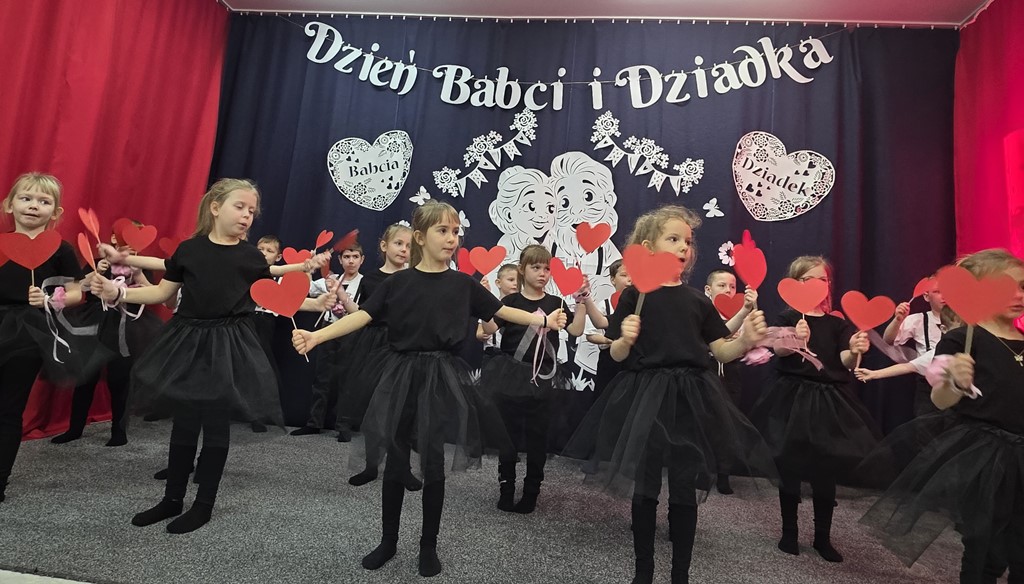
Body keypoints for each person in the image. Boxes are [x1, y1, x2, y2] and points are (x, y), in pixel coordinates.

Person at [292, 201, 567, 577]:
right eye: (442, 231)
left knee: (433, 463)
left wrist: (544, 319)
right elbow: (362, 317)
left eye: (455, 231)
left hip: (440, 378)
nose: (452, 238)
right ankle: (388, 541)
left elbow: (503, 312)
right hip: (400, 373)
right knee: (396, 459)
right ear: (420, 238)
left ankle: (428, 545)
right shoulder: (397, 283)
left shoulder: (463, 285)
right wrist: (317, 336)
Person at [90, 178, 327, 533]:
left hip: (228, 345)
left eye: (252, 211)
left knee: (216, 426)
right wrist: (117, 292)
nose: (247, 216)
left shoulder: (250, 256)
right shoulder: (189, 250)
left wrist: (314, 302)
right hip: (188, 340)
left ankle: (203, 504)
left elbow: (271, 294)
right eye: (240, 207)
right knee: (184, 423)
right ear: (215, 207)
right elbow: (161, 294)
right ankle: (172, 499)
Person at [563, 205, 772, 584]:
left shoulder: (697, 301)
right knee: (645, 489)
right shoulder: (634, 297)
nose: (683, 247)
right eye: (673, 239)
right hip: (646, 397)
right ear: (648, 247)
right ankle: (643, 571)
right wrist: (624, 339)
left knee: (683, 490)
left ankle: (680, 574)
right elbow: (617, 354)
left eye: (687, 241)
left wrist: (745, 341)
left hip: (691, 401)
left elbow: (721, 351)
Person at [861, 249, 1024, 583]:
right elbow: (940, 398)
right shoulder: (962, 340)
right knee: (984, 546)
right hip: (986, 456)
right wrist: (953, 381)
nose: (1018, 295)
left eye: (1023, 287)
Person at [750, 255, 879, 563]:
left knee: (825, 469)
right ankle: (789, 532)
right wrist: (795, 338)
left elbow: (845, 360)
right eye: (810, 279)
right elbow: (779, 350)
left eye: (823, 279)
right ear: (797, 283)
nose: (819, 285)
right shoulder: (788, 317)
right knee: (790, 466)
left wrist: (855, 350)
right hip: (791, 397)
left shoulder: (837, 323)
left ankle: (823, 537)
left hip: (827, 400)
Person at [478, 245, 590, 514]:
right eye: (536, 267)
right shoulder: (511, 302)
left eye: (547, 268)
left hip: (543, 379)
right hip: (511, 376)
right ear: (522, 269)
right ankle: (506, 487)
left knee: (538, 436)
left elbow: (576, 330)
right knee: (508, 435)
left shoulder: (556, 303)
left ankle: (531, 491)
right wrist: (485, 302)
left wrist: (581, 302)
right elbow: (488, 329)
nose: (542, 273)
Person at [0, 173, 87, 504]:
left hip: (27, 331)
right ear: (10, 204)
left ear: (56, 212)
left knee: (9, 408)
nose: (33, 205)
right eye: (26, 198)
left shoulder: (60, 249)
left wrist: (51, 300)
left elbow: (78, 292)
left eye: (43, 201)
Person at [881, 275, 946, 416]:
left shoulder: (963, 320)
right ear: (926, 296)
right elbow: (888, 340)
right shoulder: (918, 320)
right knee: (926, 424)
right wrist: (898, 320)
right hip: (928, 386)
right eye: (937, 291)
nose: (944, 296)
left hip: (956, 383)